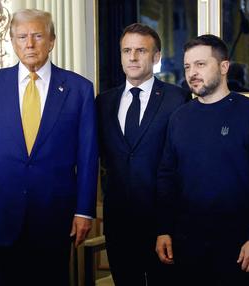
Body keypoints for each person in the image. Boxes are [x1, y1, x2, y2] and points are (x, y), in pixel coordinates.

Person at [0, 9, 98, 286]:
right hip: (0, 213)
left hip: (55, 215)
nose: (30, 44)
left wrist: (84, 210)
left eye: (37, 35)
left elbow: (87, 155)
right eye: (22, 37)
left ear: (52, 41)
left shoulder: (79, 89)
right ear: (12, 42)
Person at [155, 34, 249, 285]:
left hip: (238, 247)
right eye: (188, 66)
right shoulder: (179, 117)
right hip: (185, 245)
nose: (192, 73)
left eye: (201, 64)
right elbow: (166, 177)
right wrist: (163, 229)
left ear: (224, 67)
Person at [97, 23, 190, 286]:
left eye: (141, 50)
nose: (133, 57)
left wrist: (168, 227)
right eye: (127, 50)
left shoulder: (178, 99)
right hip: (118, 226)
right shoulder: (103, 102)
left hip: (164, 227)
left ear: (156, 56)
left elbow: (184, 167)